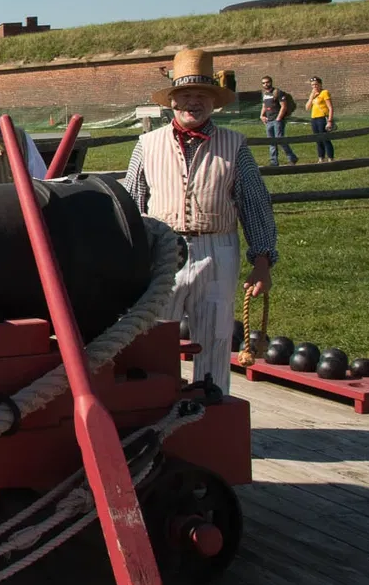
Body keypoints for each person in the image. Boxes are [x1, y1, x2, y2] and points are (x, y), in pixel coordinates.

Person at [123, 49, 277, 394]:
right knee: (156, 332)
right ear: (172, 102)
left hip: (217, 248)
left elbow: (254, 204)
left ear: (213, 103)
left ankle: (212, 402)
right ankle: (155, 401)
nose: (193, 103)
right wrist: (130, 256)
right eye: (186, 96)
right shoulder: (147, 144)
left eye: (202, 96)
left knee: (216, 333)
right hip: (163, 248)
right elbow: (131, 203)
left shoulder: (234, 145)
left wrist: (263, 259)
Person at [259, 76, 298, 166]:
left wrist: (279, 118)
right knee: (271, 142)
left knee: (280, 140)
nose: (266, 84)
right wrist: (261, 115)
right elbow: (264, 106)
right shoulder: (265, 94)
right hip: (268, 120)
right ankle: (274, 161)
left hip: (277, 120)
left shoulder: (277, 92)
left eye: (267, 82)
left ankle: (292, 158)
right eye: (263, 83)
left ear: (271, 82)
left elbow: (283, 106)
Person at [305, 76, 335, 162]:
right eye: (312, 85)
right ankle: (321, 157)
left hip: (322, 118)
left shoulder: (324, 92)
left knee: (325, 138)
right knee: (318, 139)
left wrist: (329, 121)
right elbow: (307, 108)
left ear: (320, 84)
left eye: (316, 84)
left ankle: (330, 157)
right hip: (314, 118)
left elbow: (330, 108)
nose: (314, 86)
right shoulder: (313, 95)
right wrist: (311, 97)